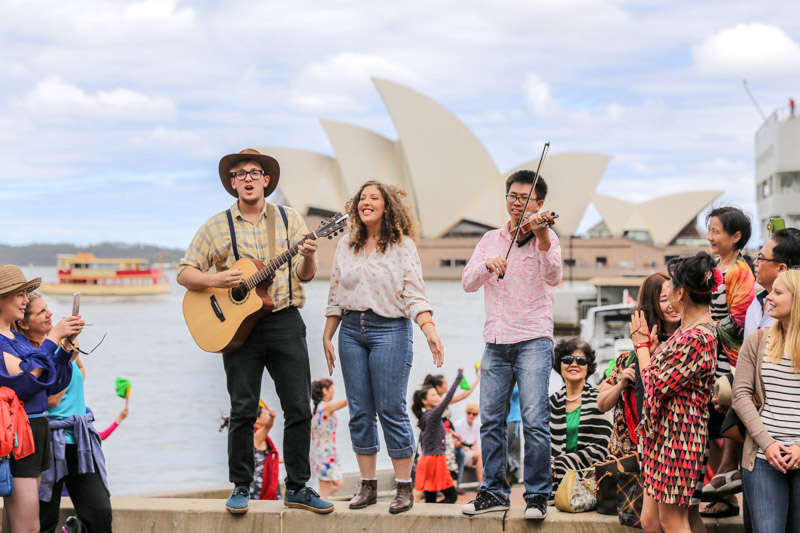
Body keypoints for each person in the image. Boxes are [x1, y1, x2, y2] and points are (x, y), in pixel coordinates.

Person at [177, 148, 332, 514]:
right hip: (237, 330)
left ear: (266, 180)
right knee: (243, 409)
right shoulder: (216, 226)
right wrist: (215, 278)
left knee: (298, 407)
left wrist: (308, 254)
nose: (248, 178)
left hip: (283, 321)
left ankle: (297, 487)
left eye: (255, 172)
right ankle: (241, 486)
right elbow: (185, 272)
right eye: (240, 173)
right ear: (232, 183)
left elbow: (305, 275)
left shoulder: (289, 219)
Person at [323, 180, 444, 514]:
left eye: (374, 198)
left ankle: (404, 487)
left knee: (390, 408)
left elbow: (414, 292)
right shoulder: (346, 244)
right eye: (362, 198)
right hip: (350, 330)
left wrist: (429, 329)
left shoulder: (402, 245)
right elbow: (335, 293)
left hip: (390, 328)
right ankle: (368, 485)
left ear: (387, 207)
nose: (366, 202)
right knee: (360, 410)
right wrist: (327, 335)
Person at [461, 169, 561, 520]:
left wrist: (543, 234)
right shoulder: (490, 239)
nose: (518, 204)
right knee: (490, 420)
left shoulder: (546, 236)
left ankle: (536, 495)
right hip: (495, 342)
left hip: (533, 338)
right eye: (512, 197)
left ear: (540, 204)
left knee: (534, 420)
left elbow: (554, 276)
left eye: (525, 199)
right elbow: (467, 282)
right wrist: (487, 265)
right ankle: (493, 491)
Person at [630, 252, 718, 533]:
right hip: (667, 434)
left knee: (673, 521)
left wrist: (642, 348)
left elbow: (654, 383)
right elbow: (665, 375)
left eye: (671, 285)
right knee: (652, 521)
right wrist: (654, 353)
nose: (666, 289)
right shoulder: (689, 329)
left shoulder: (697, 335)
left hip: (680, 437)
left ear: (681, 293)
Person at [14, 292, 113, 533]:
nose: (50, 314)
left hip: (79, 440)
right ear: (23, 324)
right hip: (47, 441)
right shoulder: (25, 354)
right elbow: (51, 400)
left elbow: (80, 374)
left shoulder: (62, 344)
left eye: (47, 308)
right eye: (41, 312)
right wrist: (63, 357)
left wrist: (71, 353)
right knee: (45, 518)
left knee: (100, 512)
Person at [0, 265, 82, 533]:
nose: (26, 300)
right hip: (19, 435)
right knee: (28, 527)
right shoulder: (2, 343)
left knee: (19, 524)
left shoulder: (17, 339)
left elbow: (50, 384)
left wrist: (64, 349)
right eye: (19, 294)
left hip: (38, 430)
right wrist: (52, 339)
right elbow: (25, 384)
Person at [734, 269, 800, 533]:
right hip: (762, 457)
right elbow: (740, 395)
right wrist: (767, 443)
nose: (768, 298)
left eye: (777, 293)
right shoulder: (757, 340)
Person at [703, 206, 755, 518]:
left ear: (735, 237)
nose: (709, 237)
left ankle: (725, 487)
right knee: (711, 428)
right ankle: (725, 493)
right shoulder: (717, 266)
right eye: (709, 230)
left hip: (728, 361)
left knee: (721, 425)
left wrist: (703, 326)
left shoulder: (740, 272)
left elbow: (739, 322)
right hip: (713, 358)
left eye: (715, 231)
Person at [597, 272, 681, 457]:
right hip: (625, 458)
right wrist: (621, 384)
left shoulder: (683, 351)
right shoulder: (626, 359)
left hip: (665, 451)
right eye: (664, 300)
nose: (672, 305)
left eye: (675, 297)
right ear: (651, 305)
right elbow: (601, 404)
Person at [549, 338, 612, 495]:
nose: (574, 364)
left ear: (588, 367)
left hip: (591, 483)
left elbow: (602, 448)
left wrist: (560, 463)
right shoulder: (551, 403)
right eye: (568, 359)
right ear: (560, 365)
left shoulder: (600, 400)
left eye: (581, 360)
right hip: (555, 487)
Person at [411, 369, 463, 504]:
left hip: (427, 460)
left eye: (436, 394)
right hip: (435, 460)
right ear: (424, 401)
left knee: (430, 500)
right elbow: (448, 397)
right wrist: (459, 377)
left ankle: (429, 520)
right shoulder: (433, 415)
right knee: (452, 497)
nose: (437, 397)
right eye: (433, 395)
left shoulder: (423, 416)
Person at [422, 372, 480, 486]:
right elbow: (463, 396)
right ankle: (447, 489)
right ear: (438, 387)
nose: (447, 386)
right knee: (446, 463)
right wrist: (474, 379)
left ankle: (451, 488)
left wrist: (453, 433)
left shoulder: (439, 400)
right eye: (445, 384)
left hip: (445, 438)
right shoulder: (438, 402)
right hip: (439, 441)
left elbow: (442, 422)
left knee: (453, 460)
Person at [310, 379, 347, 500]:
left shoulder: (315, 409)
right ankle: (320, 499)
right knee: (337, 483)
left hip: (318, 448)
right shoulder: (326, 407)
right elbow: (348, 401)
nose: (334, 392)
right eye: (332, 389)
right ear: (325, 391)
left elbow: (313, 434)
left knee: (326, 484)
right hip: (326, 449)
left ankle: (320, 498)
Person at [250, 405, 280, 501]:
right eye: (265, 414)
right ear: (257, 420)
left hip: (256, 480)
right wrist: (272, 417)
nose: (267, 416)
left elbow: (263, 459)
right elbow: (267, 426)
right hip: (261, 482)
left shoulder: (252, 435)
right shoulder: (257, 435)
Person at [453, 402, 484, 487]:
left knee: (482, 456)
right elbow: (455, 442)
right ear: (466, 412)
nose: (471, 415)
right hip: (462, 451)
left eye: (474, 414)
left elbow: (474, 443)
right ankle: (481, 484)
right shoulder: (458, 424)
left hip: (472, 453)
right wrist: (464, 447)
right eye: (469, 413)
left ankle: (483, 484)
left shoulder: (477, 425)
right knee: (480, 456)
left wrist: (477, 451)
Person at [505, 386, 522, 484]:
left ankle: (514, 475)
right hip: (508, 422)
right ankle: (512, 475)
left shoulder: (515, 389)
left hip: (513, 422)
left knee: (514, 449)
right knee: (508, 449)